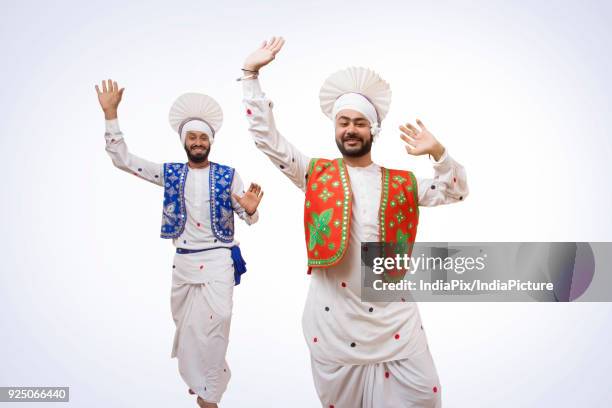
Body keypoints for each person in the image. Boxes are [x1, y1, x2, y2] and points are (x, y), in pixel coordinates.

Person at [239, 38, 469, 407]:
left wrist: (439, 154)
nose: (350, 129)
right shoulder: (315, 173)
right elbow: (268, 140)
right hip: (333, 320)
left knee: (424, 396)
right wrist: (250, 76)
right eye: (344, 122)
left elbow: (455, 191)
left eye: (360, 123)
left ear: (373, 130)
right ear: (335, 127)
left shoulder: (400, 183)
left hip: (395, 319)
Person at [95, 79, 264, 408]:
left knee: (218, 323)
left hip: (219, 261)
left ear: (211, 142)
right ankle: (205, 380)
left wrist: (249, 210)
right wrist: (111, 115)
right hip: (184, 262)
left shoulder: (229, 176)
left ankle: (209, 395)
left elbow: (249, 218)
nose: (198, 142)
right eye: (193, 137)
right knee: (189, 332)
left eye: (203, 137)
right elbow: (123, 160)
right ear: (184, 141)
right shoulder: (169, 173)